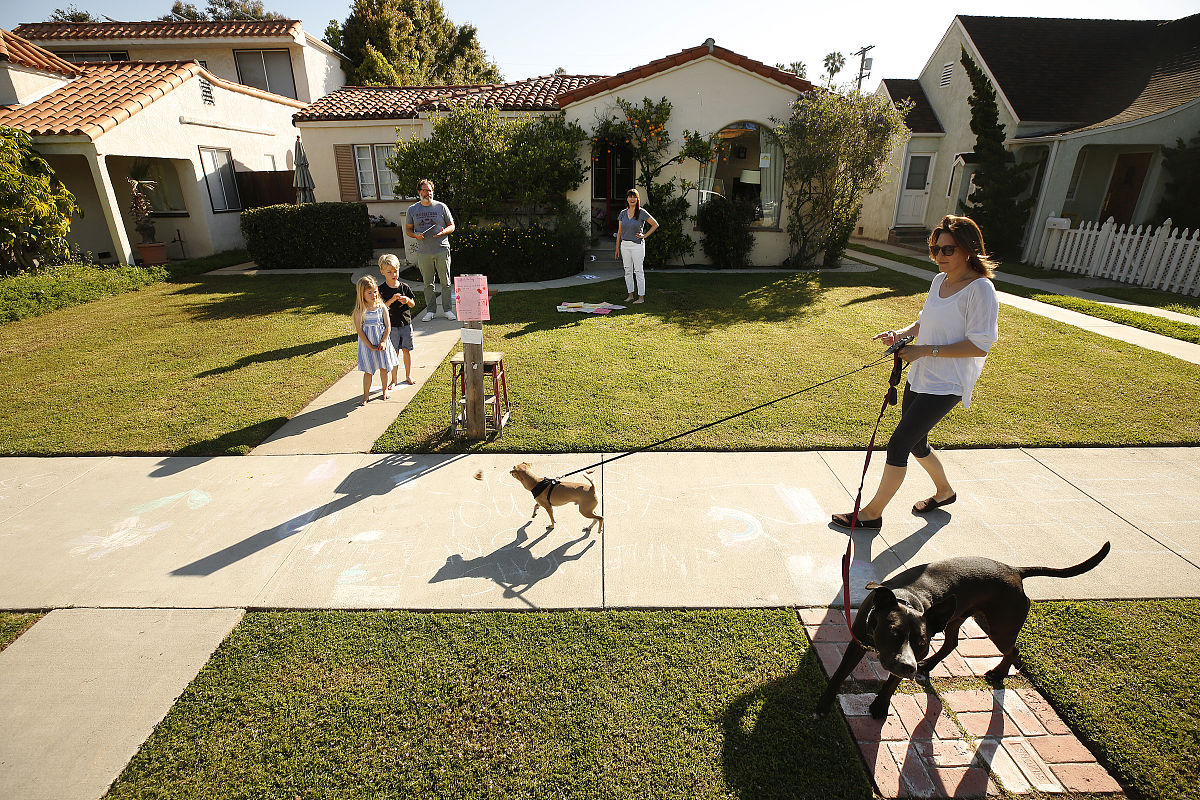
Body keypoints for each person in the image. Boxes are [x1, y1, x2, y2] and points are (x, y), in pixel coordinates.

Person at [831, 215, 1000, 530]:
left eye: (947, 250)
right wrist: (902, 335)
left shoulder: (981, 290)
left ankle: (871, 514)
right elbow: (926, 322)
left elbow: (980, 345)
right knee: (917, 443)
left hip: (948, 382)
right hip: (922, 375)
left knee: (898, 444)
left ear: (968, 249)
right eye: (935, 249)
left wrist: (925, 350)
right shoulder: (940, 281)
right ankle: (945, 492)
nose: (939, 256)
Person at [405, 179, 456, 322]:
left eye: (431, 190)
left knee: (446, 282)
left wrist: (443, 232)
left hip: (442, 249)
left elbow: (452, 226)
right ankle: (431, 311)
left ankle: (447, 310)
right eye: (426, 190)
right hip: (424, 252)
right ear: (419, 192)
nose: (429, 193)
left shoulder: (441, 207)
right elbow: (408, 229)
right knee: (428, 283)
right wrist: (416, 235)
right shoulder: (412, 210)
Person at [353, 275, 399, 406]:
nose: (373, 295)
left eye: (375, 291)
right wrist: (370, 346)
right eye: (369, 292)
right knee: (368, 371)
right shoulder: (360, 310)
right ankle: (365, 396)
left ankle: (385, 390)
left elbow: (388, 326)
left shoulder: (382, 307)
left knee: (384, 368)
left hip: (381, 344)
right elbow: (360, 330)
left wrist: (383, 341)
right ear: (362, 294)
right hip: (367, 345)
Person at [614, 188, 658, 304]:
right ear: (627, 199)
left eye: (634, 197)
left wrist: (644, 235)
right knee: (627, 271)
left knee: (638, 271)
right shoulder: (623, 213)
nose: (632, 199)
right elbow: (619, 232)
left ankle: (641, 297)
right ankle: (630, 295)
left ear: (637, 199)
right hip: (625, 246)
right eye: (630, 196)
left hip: (637, 246)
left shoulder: (641, 212)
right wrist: (617, 248)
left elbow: (655, 224)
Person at [378, 253, 416, 388]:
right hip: (391, 326)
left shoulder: (404, 287)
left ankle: (408, 375)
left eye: (396, 271)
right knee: (394, 352)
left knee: (407, 350)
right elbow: (381, 307)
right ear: (382, 272)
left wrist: (407, 300)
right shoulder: (381, 289)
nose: (393, 274)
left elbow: (413, 304)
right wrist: (392, 300)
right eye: (389, 272)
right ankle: (393, 379)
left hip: (405, 323)